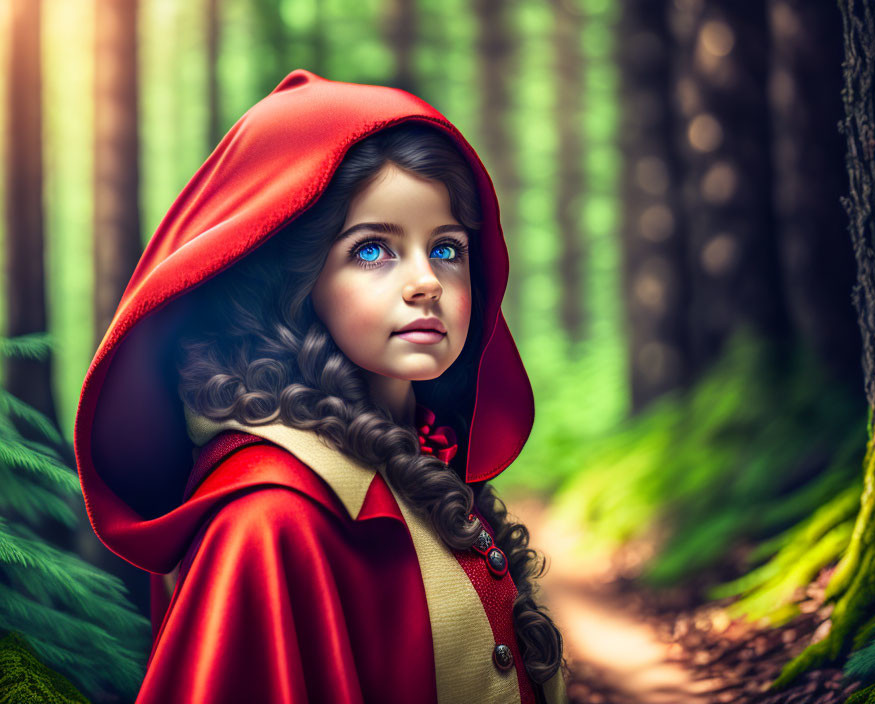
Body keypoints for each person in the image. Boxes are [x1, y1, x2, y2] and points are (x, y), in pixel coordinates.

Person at [75, 70, 566, 704]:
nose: (427, 282)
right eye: (373, 252)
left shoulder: (423, 452)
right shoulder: (267, 521)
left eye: (447, 248)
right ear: (299, 284)